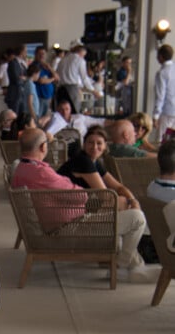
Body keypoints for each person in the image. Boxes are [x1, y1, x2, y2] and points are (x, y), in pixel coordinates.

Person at [57, 126, 149, 279]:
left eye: (99, 143)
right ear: (84, 144)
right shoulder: (82, 161)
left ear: (105, 145)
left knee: (132, 212)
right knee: (137, 219)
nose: (94, 147)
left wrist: (133, 200)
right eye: (90, 143)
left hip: (83, 213)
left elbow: (118, 187)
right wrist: (127, 204)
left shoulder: (94, 162)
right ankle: (122, 265)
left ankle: (132, 264)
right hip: (74, 221)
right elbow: (107, 197)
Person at [56, 43, 102, 114]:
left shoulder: (62, 60)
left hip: (60, 89)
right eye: (84, 55)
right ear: (81, 52)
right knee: (74, 112)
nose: (83, 57)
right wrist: (93, 91)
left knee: (62, 113)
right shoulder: (79, 60)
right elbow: (84, 78)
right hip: (71, 89)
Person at [152, 44, 175, 142]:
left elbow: (160, 95)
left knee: (162, 140)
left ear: (161, 56)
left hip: (167, 110)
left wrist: (156, 115)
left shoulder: (162, 73)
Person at [35, 46, 57, 118]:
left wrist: (50, 68)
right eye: (40, 54)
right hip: (39, 97)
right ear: (36, 54)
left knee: (46, 118)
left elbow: (57, 78)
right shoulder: (35, 66)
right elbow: (41, 80)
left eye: (43, 54)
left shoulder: (46, 67)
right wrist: (52, 79)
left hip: (48, 97)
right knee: (39, 118)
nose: (42, 55)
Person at [5, 45, 26, 116]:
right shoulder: (13, 63)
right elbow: (16, 79)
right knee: (14, 116)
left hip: (21, 94)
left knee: (22, 115)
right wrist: (23, 79)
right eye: (25, 51)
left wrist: (24, 78)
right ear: (21, 52)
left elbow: (27, 76)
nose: (26, 53)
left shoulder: (22, 64)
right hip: (15, 94)